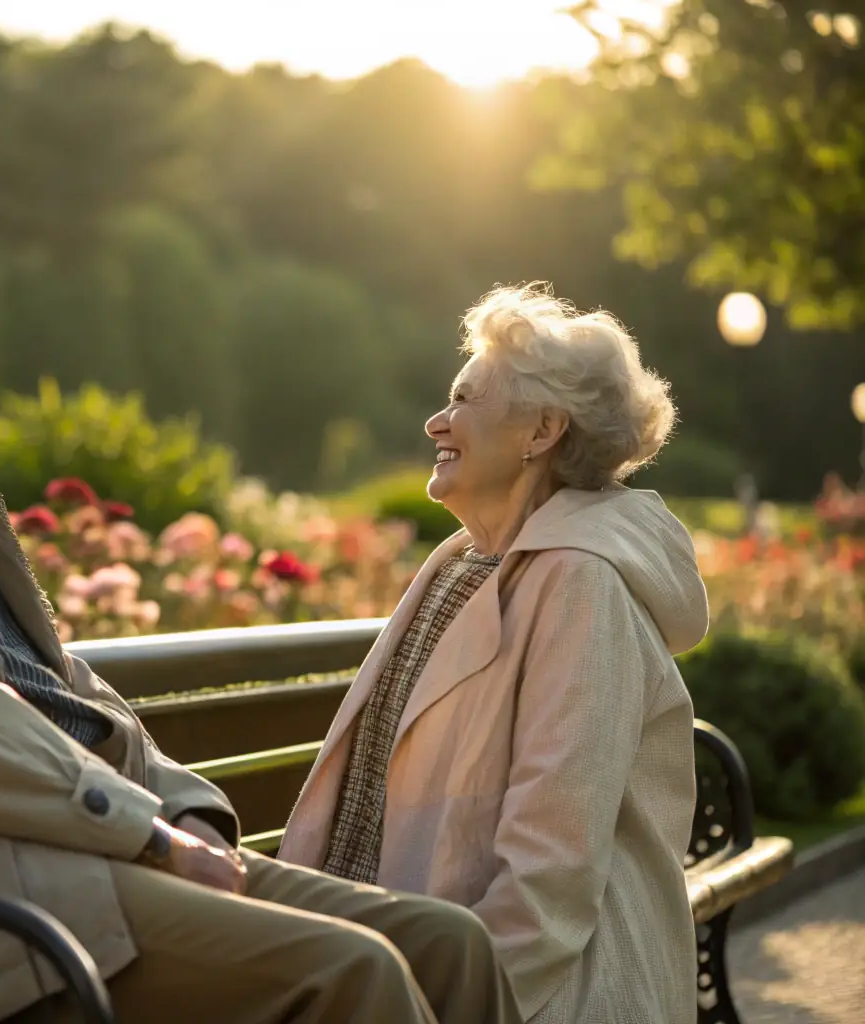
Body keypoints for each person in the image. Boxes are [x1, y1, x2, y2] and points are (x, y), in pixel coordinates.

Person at [0, 213, 520, 1024]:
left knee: (448, 942)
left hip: (65, 863)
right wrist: (145, 833)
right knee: (355, 972)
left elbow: (64, 689)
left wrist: (180, 810)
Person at [279, 283, 707, 1024]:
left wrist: (449, 998)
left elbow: (553, 863)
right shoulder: (468, 561)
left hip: (529, 993)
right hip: (413, 959)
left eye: (464, 400)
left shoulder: (579, 581)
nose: (435, 421)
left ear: (541, 430)